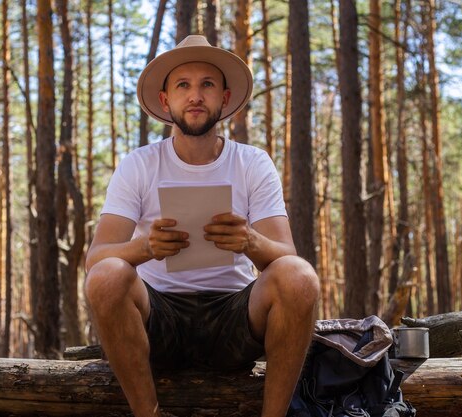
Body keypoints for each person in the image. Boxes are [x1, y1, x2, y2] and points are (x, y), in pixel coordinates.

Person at [84, 35, 319, 417]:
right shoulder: (139, 164)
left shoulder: (252, 163)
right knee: (107, 276)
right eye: (183, 85)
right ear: (166, 101)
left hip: (234, 317)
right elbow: (96, 258)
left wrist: (249, 241)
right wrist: (144, 248)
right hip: (159, 319)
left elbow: (286, 256)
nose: (195, 96)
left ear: (224, 98)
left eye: (207, 84)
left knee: (300, 276)